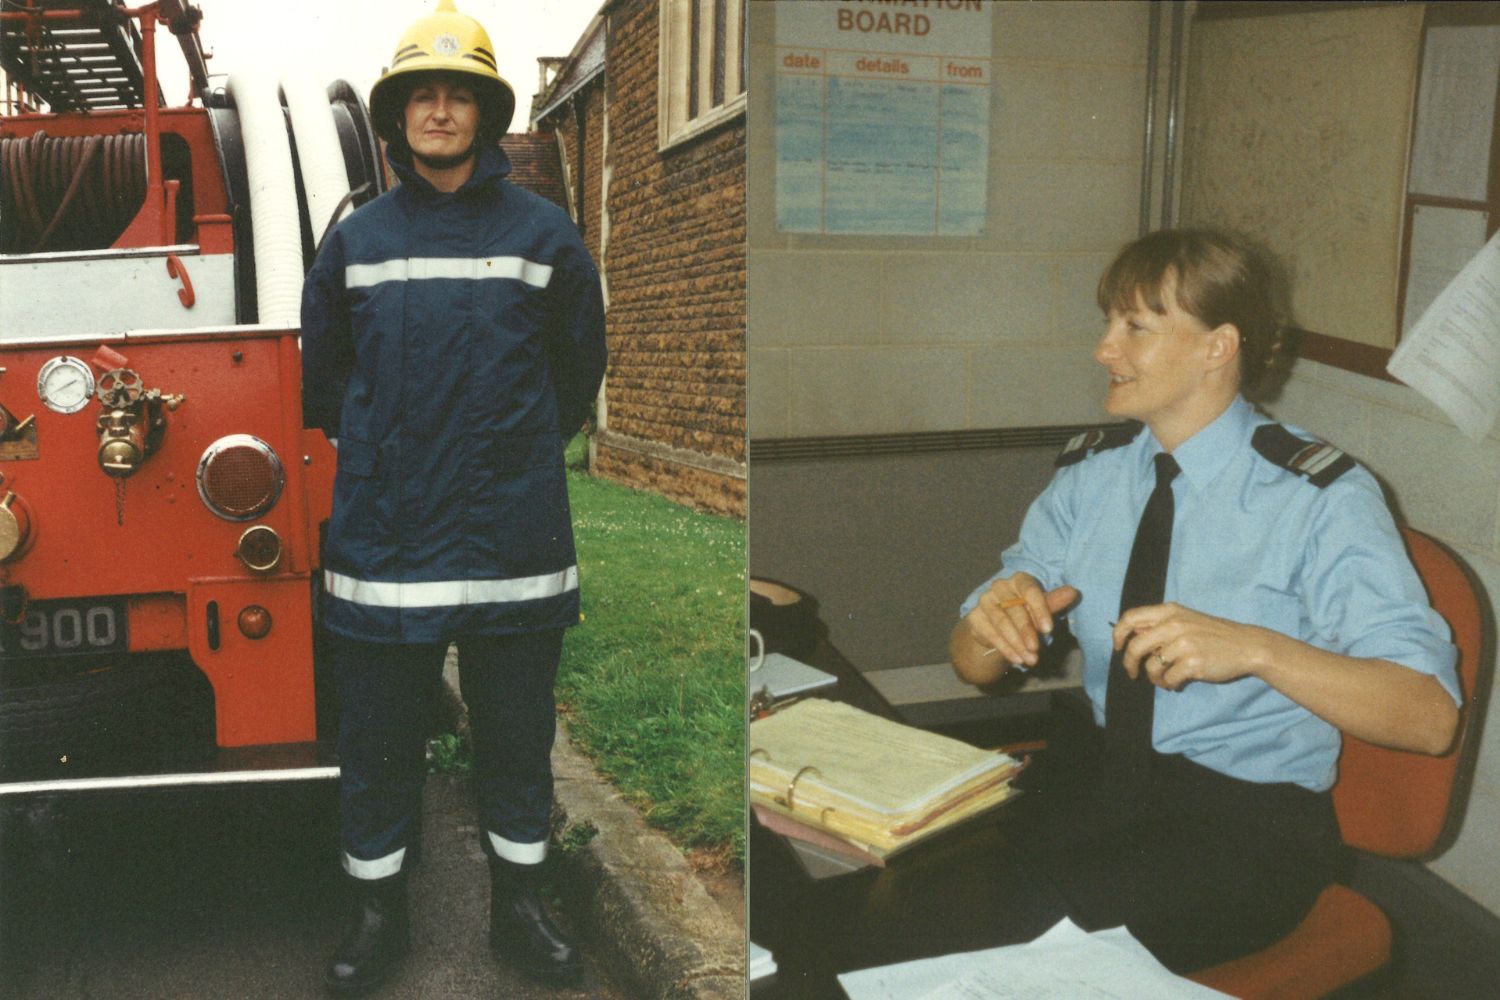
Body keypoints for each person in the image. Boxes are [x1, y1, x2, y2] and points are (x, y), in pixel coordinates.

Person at [949, 228, 1460, 972]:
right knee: (930, 894)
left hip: (1243, 822)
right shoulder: (1091, 477)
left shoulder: (1320, 498)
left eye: (1135, 327)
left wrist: (1258, 648)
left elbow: (1429, 718)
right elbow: (973, 666)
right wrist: (991, 625)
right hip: (1094, 778)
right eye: (1108, 322)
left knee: (1040, 937)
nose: (1103, 349)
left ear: (1219, 347)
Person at [299, 1, 606, 992]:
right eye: (422, 95)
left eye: (458, 95)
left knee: (517, 741)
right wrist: (395, 453)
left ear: (485, 111)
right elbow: (327, 382)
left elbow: (575, 374)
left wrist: (507, 452)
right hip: (385, 549)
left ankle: (520, 910)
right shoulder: (356, 240)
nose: (440, 111)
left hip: (514, 538)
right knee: (379, 744)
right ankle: (376, 915)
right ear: (396, 115)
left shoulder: (546, 232)